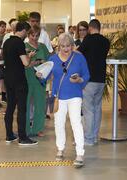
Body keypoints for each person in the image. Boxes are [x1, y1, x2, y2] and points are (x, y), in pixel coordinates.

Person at [38, 33, 89, 167]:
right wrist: (40, 75)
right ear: (58, 46)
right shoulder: (53, 59)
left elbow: (87, 75)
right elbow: (45, 76)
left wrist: (79, 80)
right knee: (58, 123)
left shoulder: (79, 57)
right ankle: (60, 149)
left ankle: (80, 153)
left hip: (75, 95)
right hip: (58, 96)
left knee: (76, 123)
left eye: (68, 46)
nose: (66, 49)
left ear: (72, 46)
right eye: (63, 46)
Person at [2, 22, 38, 145]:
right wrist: (30, 56)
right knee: (22, 108)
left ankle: (9, 135)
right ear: (23, 31)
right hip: (19, 79)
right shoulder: (19, 43)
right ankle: (23, 137)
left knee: (10, 107)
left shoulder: (7, 42)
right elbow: (25, 63)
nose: (26, 36)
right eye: (26, 33)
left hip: (8, 78)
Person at [78, 19, 110, 145]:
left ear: (90, 28)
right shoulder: (105, 41)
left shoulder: (88, 39)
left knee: (88, 110)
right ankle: (95, 136)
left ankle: (89, 138)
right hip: (101, 79)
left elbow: (79, 53)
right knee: (97, 108)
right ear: (99, 27)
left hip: (89, 79)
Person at [25, 25, 50, 137]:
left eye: (37, 35)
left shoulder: (43, 47)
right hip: (27, 78)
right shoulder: (24, 46)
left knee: (40, 104)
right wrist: (35, 62)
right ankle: (25, 128)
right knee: (25, 104)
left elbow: (49, 61)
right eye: (32, 35)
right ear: (28, 35)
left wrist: (44, 63)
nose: (34, 38)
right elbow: (24, 64)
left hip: (40, 78)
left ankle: (38, 128)